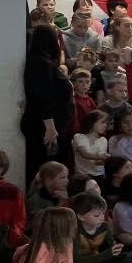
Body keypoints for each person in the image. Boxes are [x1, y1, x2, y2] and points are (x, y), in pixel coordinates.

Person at [22, 25, 75, 183]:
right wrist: (50, 127)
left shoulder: (41, 62)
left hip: (49, 124)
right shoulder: (40, 63)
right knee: (47, 170)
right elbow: (43, 96)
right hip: (46, 127)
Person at [71, 191, 122, 263]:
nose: (102, 218)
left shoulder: (104, 227)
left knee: (121, 260)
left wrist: (116, 249)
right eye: (96, 215)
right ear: (81, 216)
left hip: (100, 262)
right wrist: (107, 254)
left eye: (103, 214)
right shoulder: (75, 231)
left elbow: (111, 247)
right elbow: (78, 258)